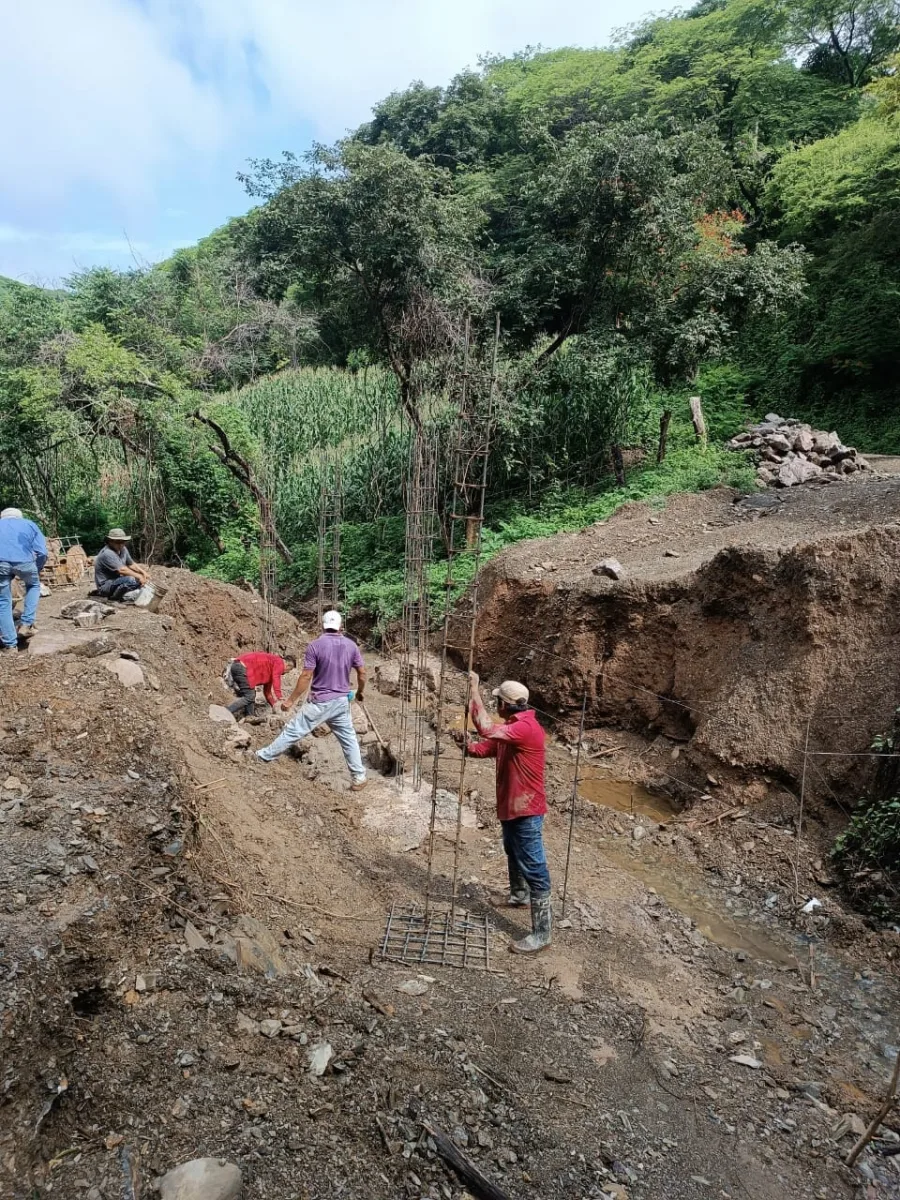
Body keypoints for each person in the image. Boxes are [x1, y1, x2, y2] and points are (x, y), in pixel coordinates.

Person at [462, 673, 551, 954]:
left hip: (526, 809)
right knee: (512, 850)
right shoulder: (512, 727)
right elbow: (486, 746)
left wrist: (474, 691)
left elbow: (486, 729)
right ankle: (518, 896)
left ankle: (542, 934)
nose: (496, 706)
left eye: (497, 702)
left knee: (534, 865)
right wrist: (467, 747)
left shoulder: (525, 729)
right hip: (513, 807)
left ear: (506, 704)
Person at [256, 610, 368, 792]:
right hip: (341, 701)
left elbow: (307, 675)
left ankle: (263, 756)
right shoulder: (351, 646)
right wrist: (360, 692)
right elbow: (362, 673)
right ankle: (359, 777)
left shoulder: (315, 646)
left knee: (294, 730)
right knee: (349, 739)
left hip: (321, 701)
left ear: (323, 626)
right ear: (341, 627)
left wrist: (291, 701)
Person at [0, 507, 47, 651]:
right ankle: (26, 623)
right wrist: (36, 569)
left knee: (3, 601)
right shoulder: (29, 524)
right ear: (19, 517)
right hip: (25, 562)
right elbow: (43, 552)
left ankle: (10, 645)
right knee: (33, 586)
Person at [225, 650, 297, 720]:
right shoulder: (279, 662)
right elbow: (276, 678)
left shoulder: (271, 666)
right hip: (242, 667)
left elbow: (267, 693)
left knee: (251, 695)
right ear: (287, 665)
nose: (286, 673)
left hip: (239, 666)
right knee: (249, 696)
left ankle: (249, 717)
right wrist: (280, 697)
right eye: (289, 670)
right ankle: (226, 711)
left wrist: (275, 706)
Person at [93, 529, 150, 601]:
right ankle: (115, 598)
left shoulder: (123, 549)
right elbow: (122, 570)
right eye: (118, 542)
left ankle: (127, 593)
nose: (121, 544)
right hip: (105, 586)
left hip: (117, 581)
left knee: (138, 579)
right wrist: (139, 576)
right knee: (132, 579)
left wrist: (143, 573)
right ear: (110, 541)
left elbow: (131, 564)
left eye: (123, 542)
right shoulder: (107, 553)